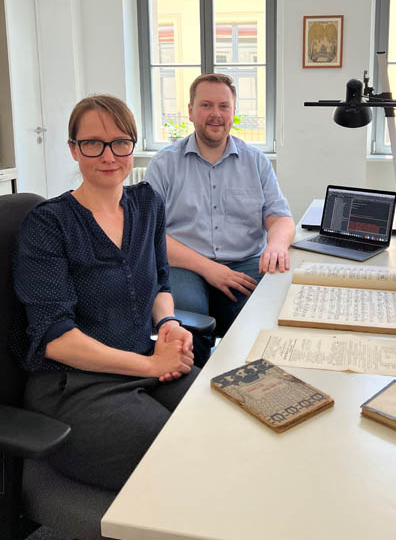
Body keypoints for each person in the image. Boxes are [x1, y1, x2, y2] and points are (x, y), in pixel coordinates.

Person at [11, 95, 198, 492]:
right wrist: (148, 366)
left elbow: (161, 283)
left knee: (219, 417)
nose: (108, 155)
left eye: (120, 142)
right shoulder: (48, 225)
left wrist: (168, 323)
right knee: (176, 453)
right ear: (74, 149)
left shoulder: (147, 204)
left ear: (133, 144)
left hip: (141, 360)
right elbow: (56, 340)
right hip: (75, 386)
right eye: (93, 143)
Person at [145, 73, 295, 365]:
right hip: (185, 264)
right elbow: (151, 234)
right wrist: (210, 269)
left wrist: (276, 245)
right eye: (206, 105)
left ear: (233, 112)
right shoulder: (163, 165)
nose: (216, 114)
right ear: (190, 111)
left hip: (244, 262)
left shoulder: (256, 161)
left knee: (269, 314)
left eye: (224, 106)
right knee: (186, 321)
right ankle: (192, 391)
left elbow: (280, 218)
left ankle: (252, 386)